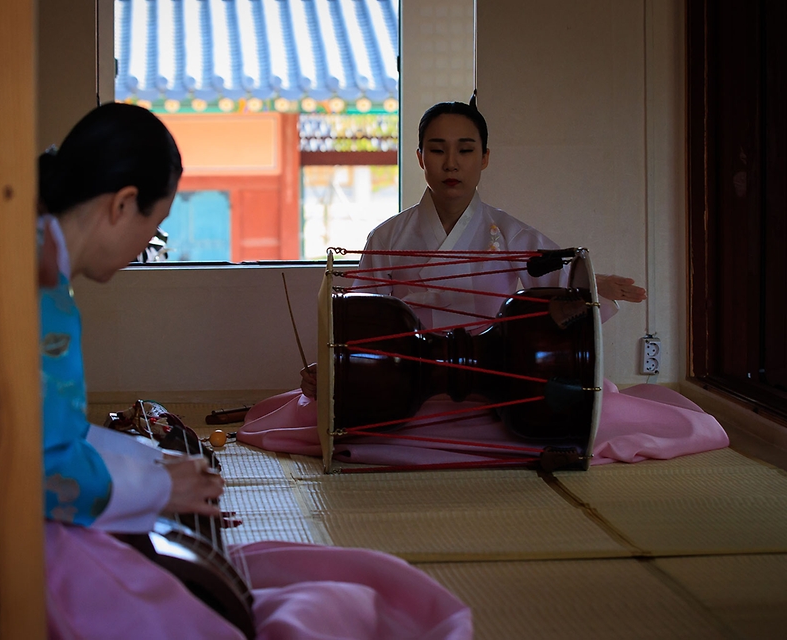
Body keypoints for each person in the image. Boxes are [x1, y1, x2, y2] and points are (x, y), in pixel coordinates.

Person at [38, 102, 474, 639]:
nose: (145, 247)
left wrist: (154, 472)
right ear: (122, 204)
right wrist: (154, 485)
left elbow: (45, 439)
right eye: (155, 227)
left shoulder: (33, 266)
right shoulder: (39, 289)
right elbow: (40, 465)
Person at [239, 97, 728, 467]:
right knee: (331, 420)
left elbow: (557, 300)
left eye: (465, 150)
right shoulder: (388, 236)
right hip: (413, 390)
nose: (451, 163)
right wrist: (335, 363)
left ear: (485, 157)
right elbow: (362, 324)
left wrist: (591, 288)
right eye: (438, 150)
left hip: (499, 389)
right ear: (420, 157)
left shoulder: (513, 235)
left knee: (580, 412)